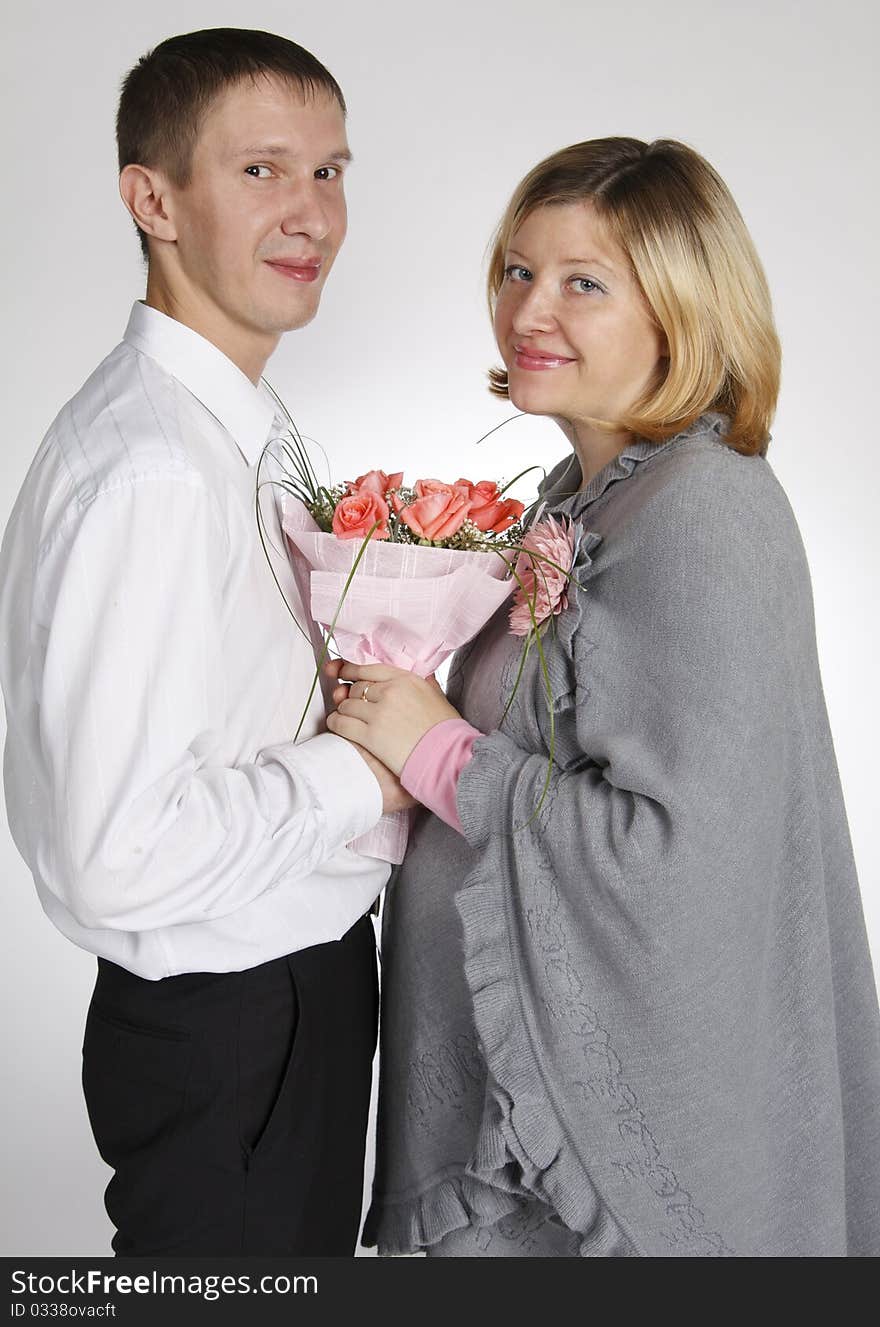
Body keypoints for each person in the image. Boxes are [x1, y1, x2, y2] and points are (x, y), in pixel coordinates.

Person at [326, 137, 880, 1256]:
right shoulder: (579, 498)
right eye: (517, 271)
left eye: (585, 282)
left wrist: (439, 754)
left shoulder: (702, 513)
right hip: (503, 1113)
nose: (531, 308)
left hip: (558, 1174)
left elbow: (682, 854)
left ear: (680, 309)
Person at [0, 28, 413, 1256]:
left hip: (280, 1003)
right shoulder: (153, 471)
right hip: (235, 1021)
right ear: (152, 198)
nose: (312, 215)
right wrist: (362, 772)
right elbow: (112, 853)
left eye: (331, 172)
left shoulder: (230, 424)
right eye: (262, 172)